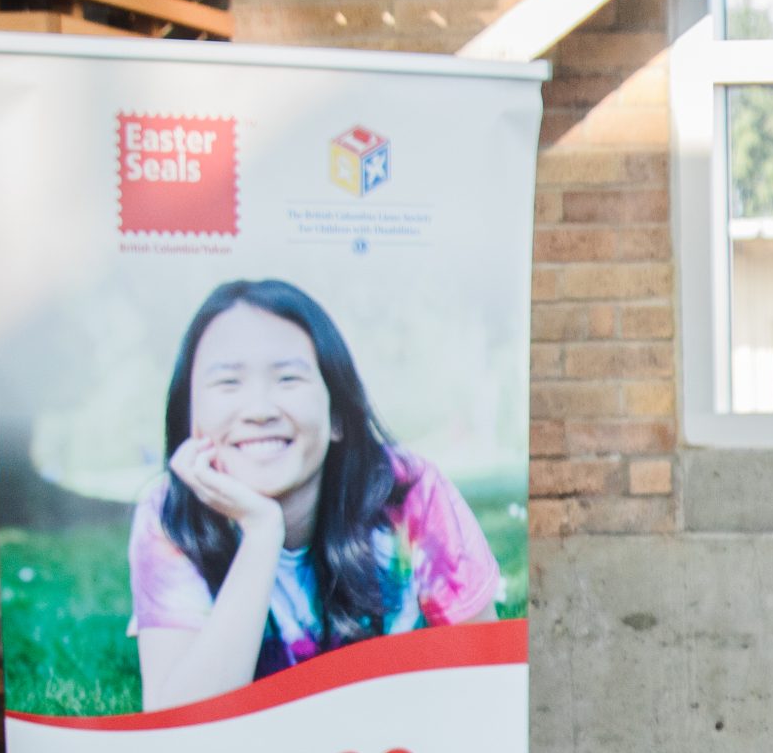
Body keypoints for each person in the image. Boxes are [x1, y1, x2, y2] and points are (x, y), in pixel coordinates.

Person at [131, 278, 501, 712]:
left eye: (288, 378)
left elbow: (487, 683)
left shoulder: (408, 493)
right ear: (191, 418)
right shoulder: (169, 514)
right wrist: (262, 532)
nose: (259, 410)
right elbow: (179, 723)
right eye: (228, 383)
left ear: (337, 414)